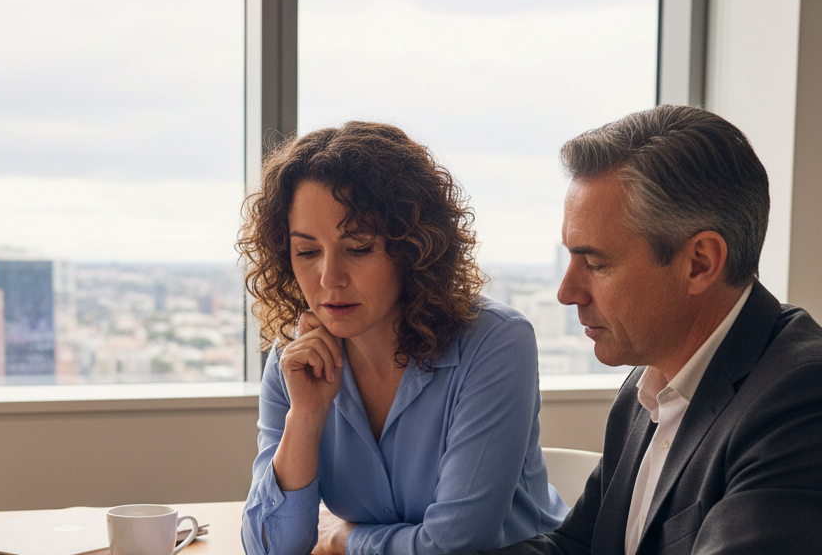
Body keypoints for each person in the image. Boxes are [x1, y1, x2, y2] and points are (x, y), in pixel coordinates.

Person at [467, 105, 822, 555]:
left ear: (700, 263)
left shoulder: (802, 400)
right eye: (570, 259)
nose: (566, 292)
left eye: (595, 263)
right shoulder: (647, 384)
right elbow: (575, 547)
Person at [236, 121, 569, 555]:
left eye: (358, 248)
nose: (329, 279)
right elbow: (270, 548)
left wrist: (345, 536)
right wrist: (306, 414)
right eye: (306, 251)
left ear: (412, 247)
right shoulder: (294, 361)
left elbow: (457, 547)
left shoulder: (497, 343)